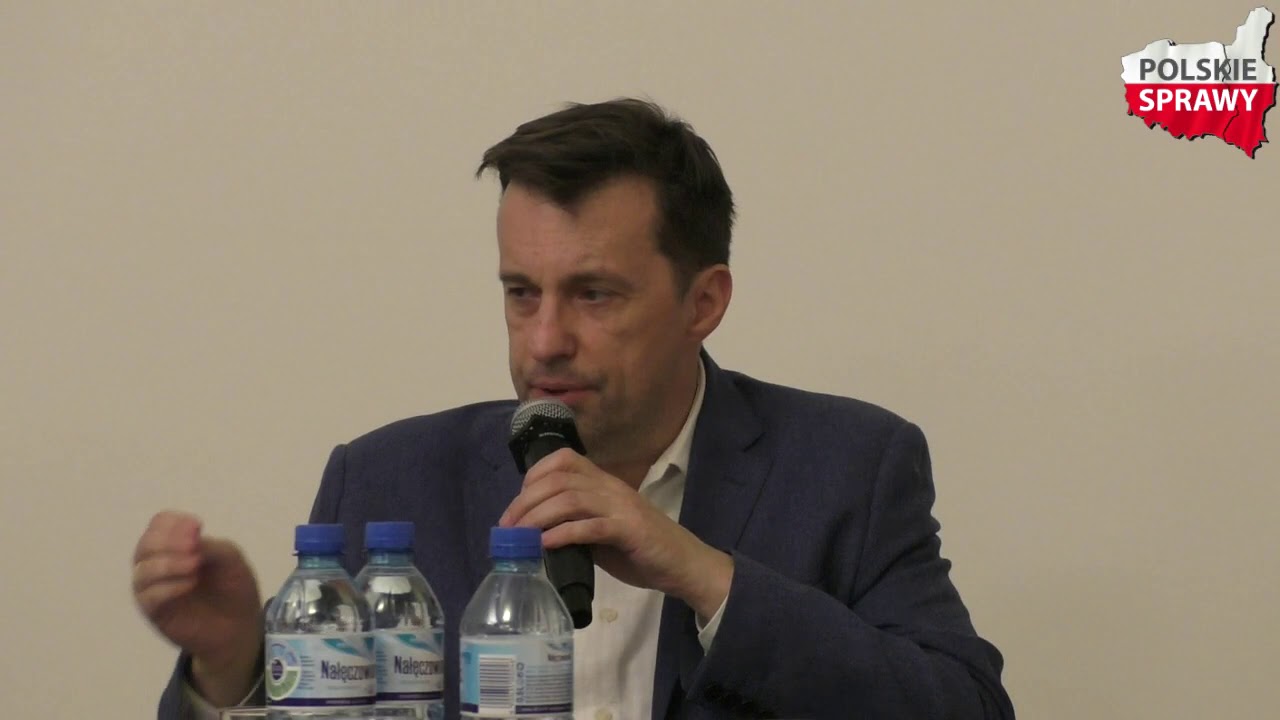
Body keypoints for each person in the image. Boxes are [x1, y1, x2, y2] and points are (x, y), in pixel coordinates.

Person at [134, 98, 1016, 719]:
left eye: (594, 295)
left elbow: (967, 706)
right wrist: (233, 668)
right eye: (522, 293)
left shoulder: (849, 468)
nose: (546, 340)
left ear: (704, 302)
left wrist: (705, 575)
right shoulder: (385, 482)